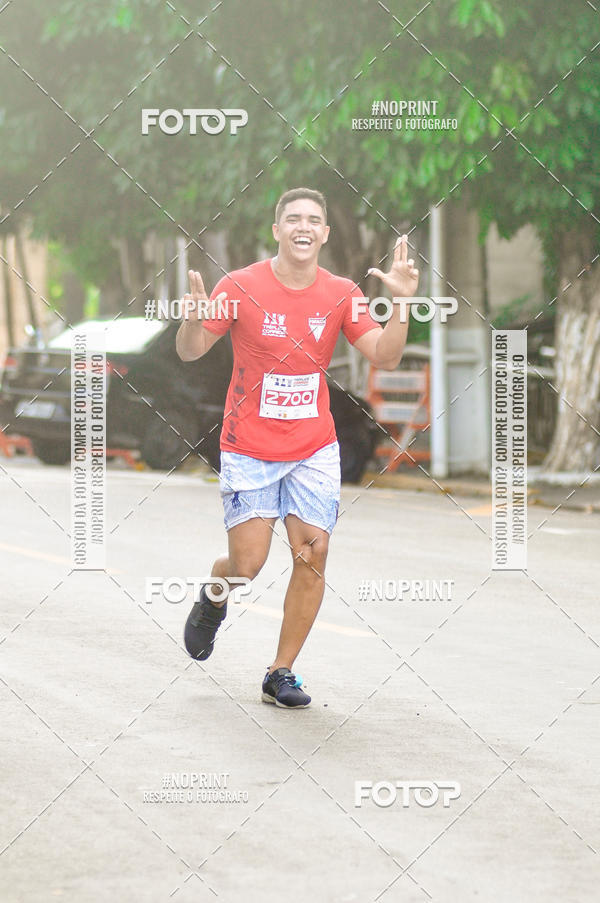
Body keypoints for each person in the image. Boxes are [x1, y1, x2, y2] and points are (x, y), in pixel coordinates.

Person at [176, 187, 419, 708]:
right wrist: (193, 318)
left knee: (315, 553)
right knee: (248, 564)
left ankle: (280, 672)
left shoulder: (341, 293)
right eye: (292, 219)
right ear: (278, 230)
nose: (303, 226)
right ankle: (214, 595)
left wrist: (401, 304)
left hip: (313, 447)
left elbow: (387, 355)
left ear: (324, 233)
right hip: (249, 447)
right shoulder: (240, 286)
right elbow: (192, 351)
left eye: (313, 218)